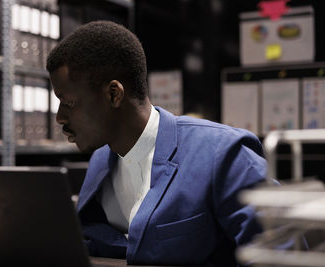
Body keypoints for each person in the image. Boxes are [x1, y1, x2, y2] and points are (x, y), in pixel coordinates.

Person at [46, 20, 266, 266]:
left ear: (113, 94)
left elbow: (278, 252)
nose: (59, 117)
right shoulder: (101, 160)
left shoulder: (223, 152)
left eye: (68, 102)